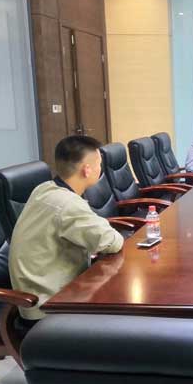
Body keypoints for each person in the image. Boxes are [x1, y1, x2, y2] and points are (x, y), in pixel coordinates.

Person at [8, 136, 124, 323]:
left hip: (45, 291)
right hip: (48, 307)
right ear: (86, 170)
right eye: (99, 164)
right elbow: (111, 242)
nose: (100, 169)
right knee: (121, 307)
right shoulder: (67, 204)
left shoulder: (44, 189)